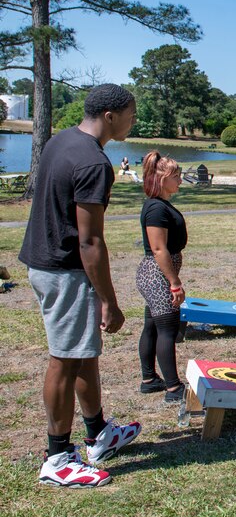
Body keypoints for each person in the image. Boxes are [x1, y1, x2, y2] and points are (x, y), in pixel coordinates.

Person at [19, 84, 142, 488]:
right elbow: (90, 240)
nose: (133, 121)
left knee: (84, 351)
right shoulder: (94, 162)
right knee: (65, 358)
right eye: (131, 114)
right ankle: (57, 457)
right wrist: (110, 300)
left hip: (43, 261)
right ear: (110, 116)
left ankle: (99, 434)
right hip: (66, 270)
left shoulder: (61, 141)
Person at [136, 151, 189, 405]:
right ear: (162, 178)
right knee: (167, 330)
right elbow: (159, 249)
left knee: (152, 326)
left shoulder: (159, 204)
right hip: (157, 275)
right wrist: (174, 283)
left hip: (157, 275)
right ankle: (173, 388)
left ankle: (149, 379)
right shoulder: (156, 208)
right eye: (176, 176)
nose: (180, 180)